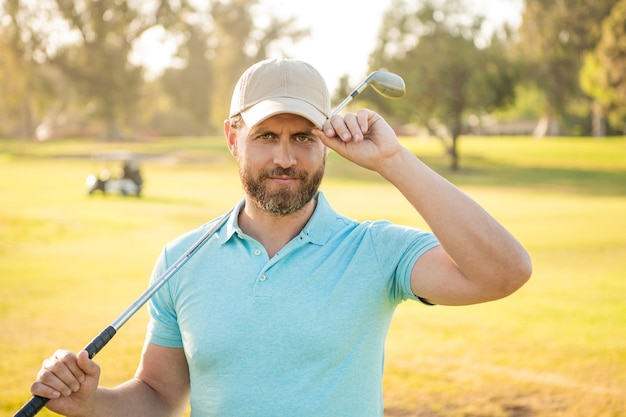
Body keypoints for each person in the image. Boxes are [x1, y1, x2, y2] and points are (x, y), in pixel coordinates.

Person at [30, 58, 531, 417]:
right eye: (266, 136)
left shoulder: (377, 251)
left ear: (329, 144)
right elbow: (160, 396)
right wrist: (93, 403)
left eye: (304, 137)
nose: (286, 158)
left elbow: (505, 272)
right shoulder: (180, 259)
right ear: (233, 139)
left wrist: (394, 162)